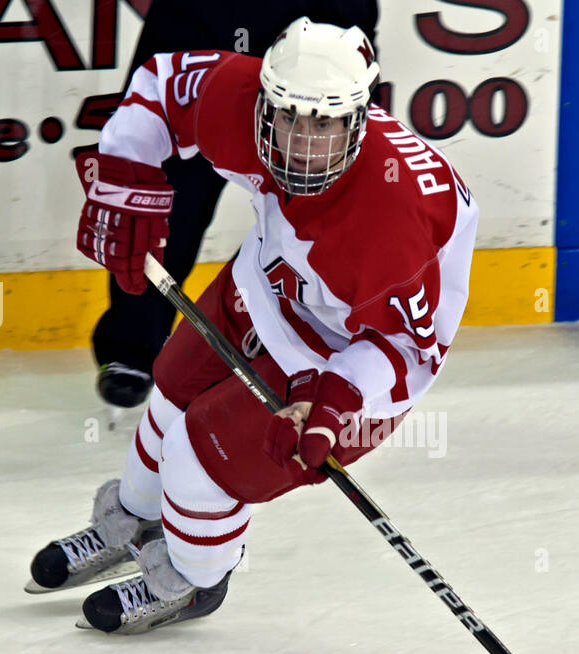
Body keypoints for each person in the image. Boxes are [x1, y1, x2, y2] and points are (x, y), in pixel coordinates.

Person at [28, 17, 479, 634]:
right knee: (173, 387)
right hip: (270, 281)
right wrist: (124, 178)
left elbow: (404, 348)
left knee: (200, 452)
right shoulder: (240, 104)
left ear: (358, 119)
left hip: (347, 358)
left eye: (323, 123)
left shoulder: (390, 219)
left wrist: (332, 403)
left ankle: (194, 579)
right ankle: (134, 520)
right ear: (265, 100)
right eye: (289, 116)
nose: (301, 141)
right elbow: (160, 87)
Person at [92, 1, 381, 409]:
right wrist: (126, 170)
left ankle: (307, 342)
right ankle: (132, 344)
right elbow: (158, 90)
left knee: (325, 193)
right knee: (165, 200)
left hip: (324, 26)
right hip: (204, 20)